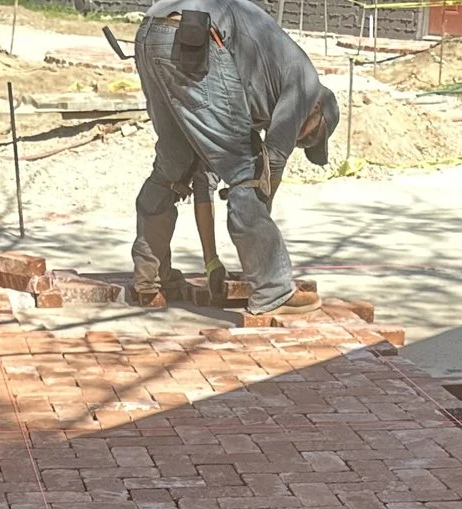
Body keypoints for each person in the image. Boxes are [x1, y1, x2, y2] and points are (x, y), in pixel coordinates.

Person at [130, 0, 337, 315]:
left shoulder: (263, 84)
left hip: (152, 32)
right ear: (317, 110)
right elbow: (270, 166)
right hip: (198, 35)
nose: (300, 138)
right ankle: (273, 290)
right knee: (248, 168)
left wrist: (211, 259)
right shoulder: (306, 84)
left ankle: (149, 281)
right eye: (307, 134)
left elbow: (204, 170)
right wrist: (258, 224)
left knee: (174, 163)